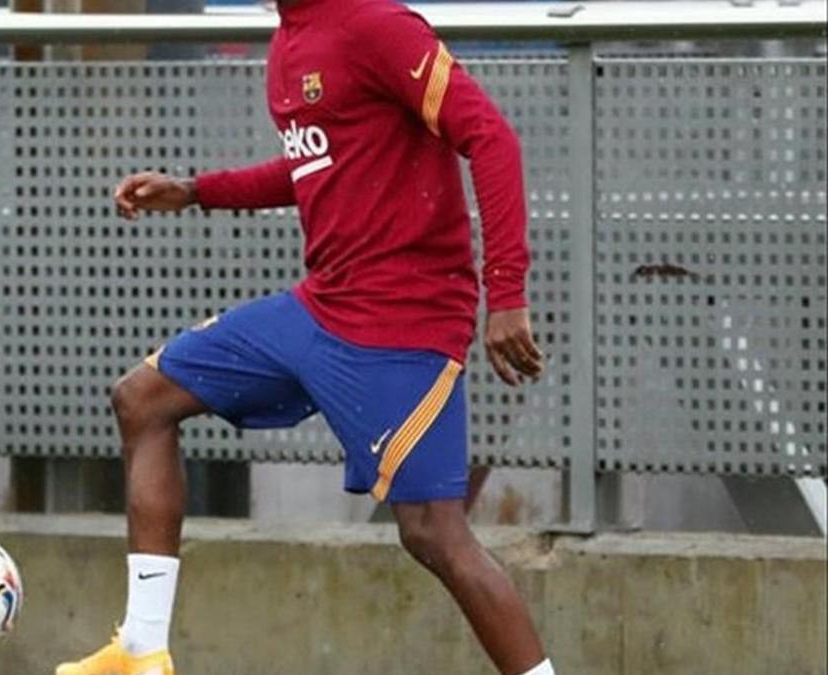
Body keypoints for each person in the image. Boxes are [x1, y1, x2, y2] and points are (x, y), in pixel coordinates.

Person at [55, 0, 552, 672]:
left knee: (434, 531)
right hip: (319, 307)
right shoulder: (290, 40)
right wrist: (197, 190)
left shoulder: (378, 24)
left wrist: (508, 291)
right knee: (143, 398)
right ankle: (142, 653)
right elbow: (321, 164)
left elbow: (491, 136)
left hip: (402, 323)